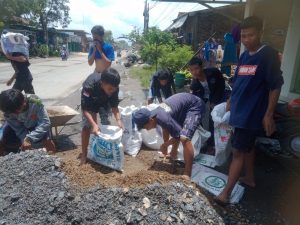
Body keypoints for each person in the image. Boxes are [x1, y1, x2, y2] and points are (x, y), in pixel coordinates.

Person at [215, 16, 284, 205]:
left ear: (260, 33)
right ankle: (249, 178)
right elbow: (237, 81)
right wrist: (230, 99)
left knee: (237, 151)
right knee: (248, 146)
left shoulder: (268, 54)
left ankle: (225, 193)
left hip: (251, 114)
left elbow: (275, 85)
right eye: (243, 36)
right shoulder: (244, 55)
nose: (246, 40)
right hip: (238, 111)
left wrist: (269, 114)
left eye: (250, 35)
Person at [133, 93, 205, 177]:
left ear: (150, 120)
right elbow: (166, 129)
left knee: (185, 138)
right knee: (177, 132)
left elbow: (179, 136)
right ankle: (173, 153)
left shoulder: (163, 118)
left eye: (145, 127)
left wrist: (165, 145)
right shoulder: (156, 115)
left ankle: (187, 173)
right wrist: (166, 149)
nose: (146, 129)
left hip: (195, 105)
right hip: (183, 107)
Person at [80, 68, 123, 165]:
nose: (112, 91)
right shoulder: (89, 86)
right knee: (88, 127)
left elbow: (114, 106)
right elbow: (85, 109)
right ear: (102, 83)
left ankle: (104, 152)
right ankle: (84, 154)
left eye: (114, 89)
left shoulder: (114, 88)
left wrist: (119, 120)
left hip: (104, 102)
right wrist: (94, 124)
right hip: (90, 103)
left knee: (106, 125)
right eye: (110, 89)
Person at [0, 89, 56, 155]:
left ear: (24, 102)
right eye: (14, 112)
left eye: (18, 110)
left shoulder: (35, 101)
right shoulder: (8, 112)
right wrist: (24, 139)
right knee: (3, 139)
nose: (16, 114)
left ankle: (53, 159)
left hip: (35, 123)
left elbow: (45, 122)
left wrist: (29, 138)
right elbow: (19, 129)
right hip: (19, 124)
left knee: (47, 140)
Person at [189, 57, 225, 149]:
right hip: (204, 96)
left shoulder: (213, 72)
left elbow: (221, 86)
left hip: (217, 95)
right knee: (197, 115)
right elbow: (195, 96)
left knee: (212, 118)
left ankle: (212, 144)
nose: (194, 72)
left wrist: (214, 102)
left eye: (196, 68)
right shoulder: (194, 83)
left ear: (202, 67)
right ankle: (200, 140)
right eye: (192, 70)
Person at [88, 25, 116, 125]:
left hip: (106, 78)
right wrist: (95, 50)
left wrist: (100, 50)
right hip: (96, 76)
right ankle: (95, 127)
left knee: (105, 105)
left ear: (102, 36)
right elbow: (90, 63)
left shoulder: (108, 47)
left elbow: (108, 63)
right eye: (93, 36)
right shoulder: (92, 48)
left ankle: (105, 123)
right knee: (93, 104)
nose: (94, 38)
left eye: (96, 36)